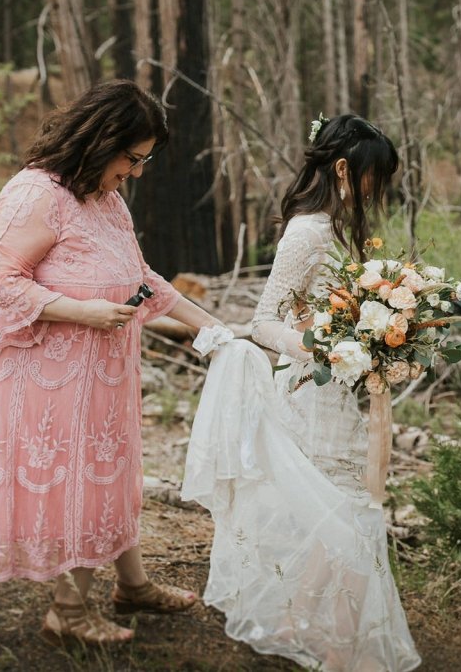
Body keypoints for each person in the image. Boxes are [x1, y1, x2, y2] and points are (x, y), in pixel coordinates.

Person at [0, 79, 226, 645]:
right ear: (100, 140)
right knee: (79, 478)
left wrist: (218, 329)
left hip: (96, 368)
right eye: (131, 158)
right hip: (33, 368)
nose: (135, 171)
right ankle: (68, 613)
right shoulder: (36, 193)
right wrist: (80, 311)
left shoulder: (107, 200)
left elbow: (143, 281)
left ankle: (131, 586)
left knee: (112, 467)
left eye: (144, 160)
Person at [182, 114, 421, 671]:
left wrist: (377, 341)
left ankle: (309, 622)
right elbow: (264, 321)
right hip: (310, 392)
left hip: (341, 395)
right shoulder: (309, 229)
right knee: (345, 512)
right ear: (343, 168)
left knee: (342, 512)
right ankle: (332, 641)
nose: (376, 190)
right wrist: (331, 349)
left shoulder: (343, 231)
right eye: (372, 177)